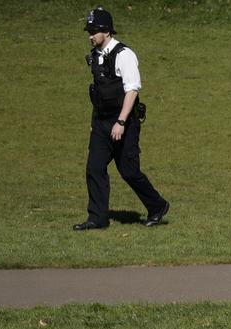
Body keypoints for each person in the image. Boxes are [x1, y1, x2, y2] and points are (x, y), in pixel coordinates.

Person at [73, 7, 170, 231]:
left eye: (93, 31)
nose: (89, 35)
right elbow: (98, 93)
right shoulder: (97, 56)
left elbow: (132, 90)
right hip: (101, 121)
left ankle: (157, 206)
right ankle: (97, 218)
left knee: (129, 171)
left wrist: (122, 121)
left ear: (106, 31)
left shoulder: (124, 55)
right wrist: (94, 122)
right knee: (94, 167)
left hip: (124, 121)